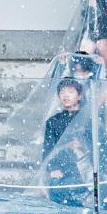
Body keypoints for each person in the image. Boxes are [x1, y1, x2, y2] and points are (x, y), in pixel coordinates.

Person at [41, 77, 88, 206]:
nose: (65, 95)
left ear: (80, 96)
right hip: (62, 167)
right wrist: (53, 169)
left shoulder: (88, 118)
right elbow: (48, 149)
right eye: (62, 92)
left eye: (70, 92)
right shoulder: (53, 121)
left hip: (86, 168)